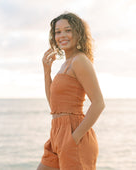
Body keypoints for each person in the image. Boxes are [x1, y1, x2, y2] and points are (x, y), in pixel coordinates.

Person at [37, 12, 105, 170]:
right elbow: (54, 106)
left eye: (68, 30)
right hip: (56, 131)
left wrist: (74, 138)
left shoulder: (80, 60)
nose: (62, 35)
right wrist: (47, 72)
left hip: (74, 133)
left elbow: (99, 103)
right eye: (58, 32)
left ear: (78, 33)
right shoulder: (65, 64)